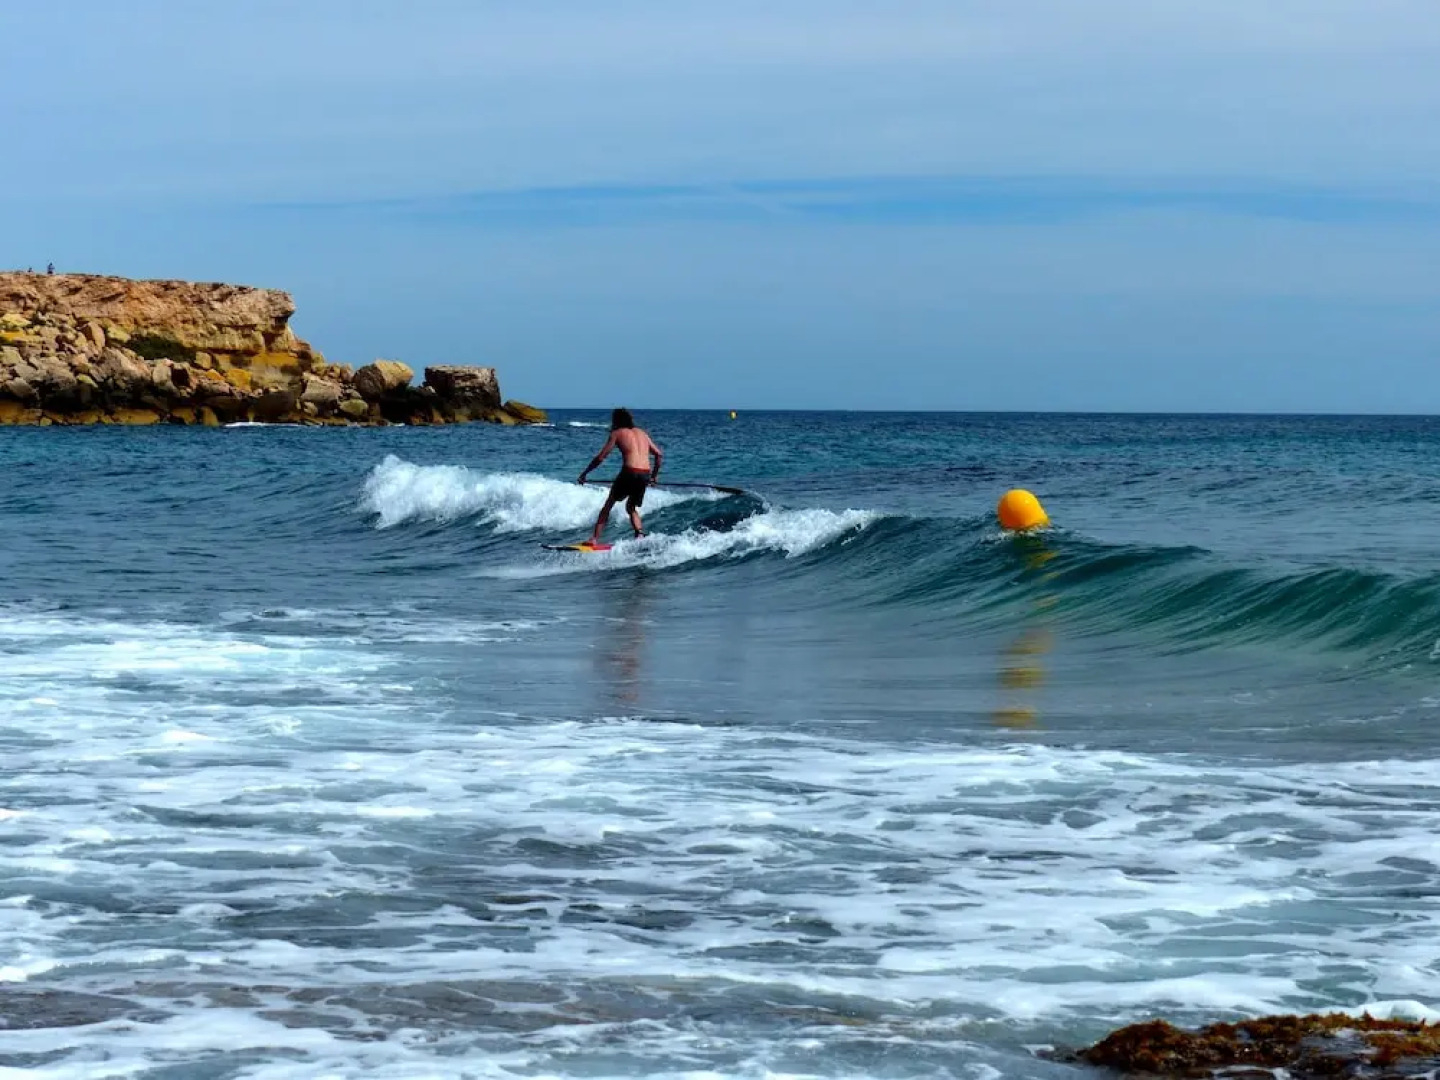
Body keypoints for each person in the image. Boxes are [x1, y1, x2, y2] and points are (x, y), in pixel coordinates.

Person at [579, 407, 663, 542]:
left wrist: (584, 473)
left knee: (608, 506)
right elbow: (659, 454)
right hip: (644, 474)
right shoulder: (642, 433)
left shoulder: (617, 433)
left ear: (616, 421)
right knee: (631, 507)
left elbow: (601, 457)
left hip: (629, 473)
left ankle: (594, 539)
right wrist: (654, 476)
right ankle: (640, 535)